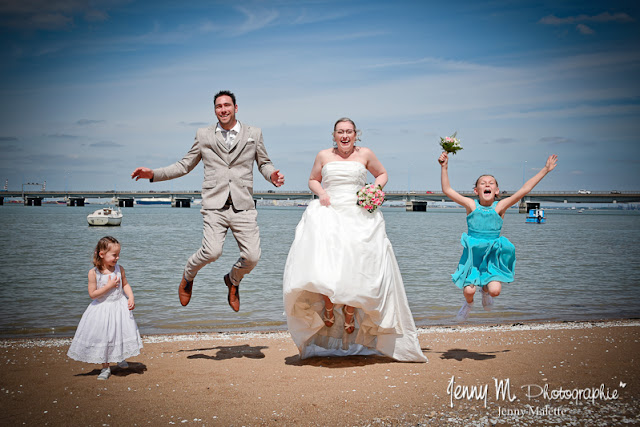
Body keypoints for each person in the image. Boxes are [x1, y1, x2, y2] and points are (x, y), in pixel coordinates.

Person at [283, 118, 427, 362]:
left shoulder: (366, 154)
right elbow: (313, 179)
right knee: (325, 264)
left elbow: (382, 174)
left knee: (357, 265)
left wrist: (373, 190)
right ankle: (329, 307)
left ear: (356, 134)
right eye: (341, 132)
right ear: (334, 135)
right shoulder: (323, 155)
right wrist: (322, 193)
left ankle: (350, 311)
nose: (345, 136)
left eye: (349, 132)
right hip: (329, 211)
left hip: (359, 213)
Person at [131, 90, 284, 312]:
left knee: (252, 257)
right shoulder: (203, 135)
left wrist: (272, 176)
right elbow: (184, 165)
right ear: (215, 110)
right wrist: (153, 174)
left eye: (227, 105)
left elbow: (264, 163)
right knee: (212, 252)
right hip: (214, 205)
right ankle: (188, 274)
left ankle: (233, 280)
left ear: (236, 108)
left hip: (243, 205)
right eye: (218, 106)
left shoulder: (254, 133)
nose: (223, 110)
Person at [438, 151, 558, 322]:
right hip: (473, 256)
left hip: (492, 257)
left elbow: (525, 189)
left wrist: (545, 170)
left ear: (496, 190)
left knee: (495, 290)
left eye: (491, 183)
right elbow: (447, 190)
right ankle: (469, 304)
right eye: (483, 183)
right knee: (468, 291)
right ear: (476, 190)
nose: (487, 184)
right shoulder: (471, 205)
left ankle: (485, 291)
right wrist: (444, 167)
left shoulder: (500, 206)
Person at [67, 236, 143, 380]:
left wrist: (131, 297)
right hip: (102, 309)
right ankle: (105, 367)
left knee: (119, 333)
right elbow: (92, 294)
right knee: (104, 337)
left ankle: (119, 357)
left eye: (118, 254)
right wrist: (108, 287)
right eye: (114, 255)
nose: (117, 257)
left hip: (119, 306)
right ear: (101, 254)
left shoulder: (119, 269)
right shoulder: (94, 273)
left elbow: (125, 284)